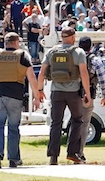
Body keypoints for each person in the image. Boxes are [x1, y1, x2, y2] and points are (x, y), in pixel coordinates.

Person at [0, 31, 37, 168]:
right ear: (17, 43)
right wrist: (36, 96)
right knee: (13, 127)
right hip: (15, 96)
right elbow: (31, 77)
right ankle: (13, 159)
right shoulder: (22, 56)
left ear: (5, 43)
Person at [38, 26, 90, 165]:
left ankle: (53, 156)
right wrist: (87, 93)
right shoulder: (78, 52)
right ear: (73, 37)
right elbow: (84, 73)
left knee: (56, 123)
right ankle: (72, 153)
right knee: (77, 120)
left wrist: (39, 89)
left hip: (56, 91)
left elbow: (42, 72)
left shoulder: (52, 51)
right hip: (73, 92)